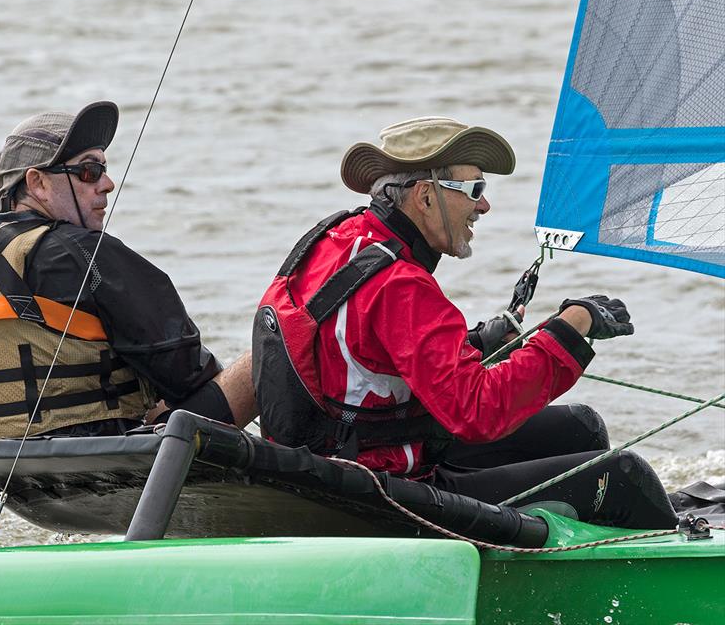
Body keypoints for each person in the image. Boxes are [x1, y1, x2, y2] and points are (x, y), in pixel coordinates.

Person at [252, 116, 677, 529]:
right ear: (426, 197)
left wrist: (481, 341)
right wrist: (570, 329)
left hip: (336, 464)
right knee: (620, 475)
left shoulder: (336, 238)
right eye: (475, 188)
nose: (484, 205)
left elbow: (365, 356)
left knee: (580, 428)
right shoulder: (400, 286)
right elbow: (477, 411)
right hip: (382, 493)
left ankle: (568, 550)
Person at [0, 101, 256, 440]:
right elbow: (187, 372)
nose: (107, 183)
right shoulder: (86, 251)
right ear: (37, 183)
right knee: (268, 354)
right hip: (108, 460)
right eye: (89, 171)